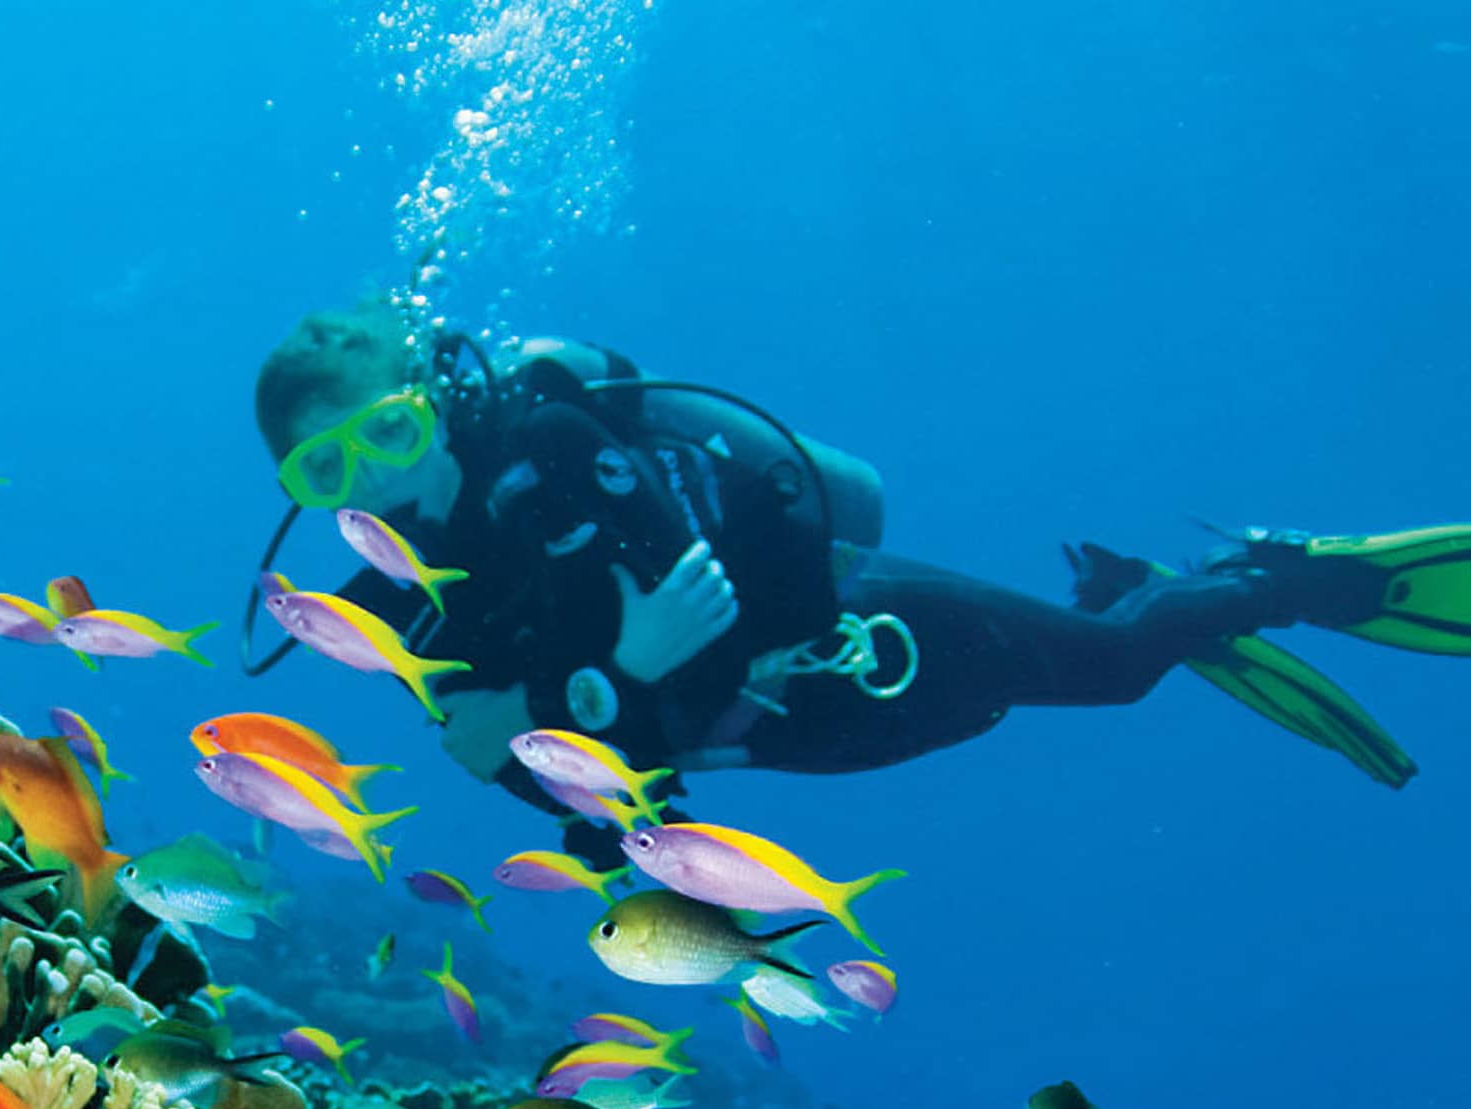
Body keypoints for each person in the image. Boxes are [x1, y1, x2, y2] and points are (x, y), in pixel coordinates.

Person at [249, 300, 1471, 838]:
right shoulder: (387, 610)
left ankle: (1295, 579)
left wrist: (582, 694)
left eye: (391, 432)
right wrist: (583, 712)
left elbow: (717, 620)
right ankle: (1124, 587)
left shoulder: (555, 446)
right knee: (1086, 650)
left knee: (1112, 672)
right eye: (329, 472)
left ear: (431, 400)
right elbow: (567, 783)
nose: (380, 486)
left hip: (863, 646)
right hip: (798, 741)